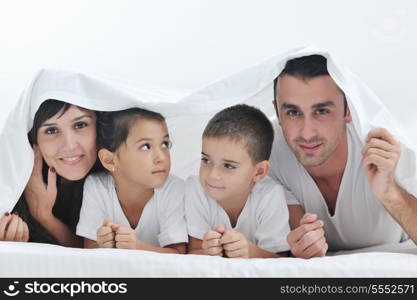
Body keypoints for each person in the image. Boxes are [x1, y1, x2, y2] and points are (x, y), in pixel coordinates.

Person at [270, 54, 416, 258]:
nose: (307, 133)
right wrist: (299, 249)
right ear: (277, 111)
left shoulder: (388, 147)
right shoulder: (265, 154)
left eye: (321, 111)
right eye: (293, 113)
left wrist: (390, 192)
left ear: (348, 110)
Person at [76, 108, 188, 254]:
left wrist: (137, 246)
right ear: (109, 160)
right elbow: (89, 250)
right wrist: (103, 244)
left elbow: (179, 254)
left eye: (165, 144)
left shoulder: (173, 189)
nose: (162, 157)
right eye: (145, 146)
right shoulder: (97, 187)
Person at [185, 104, 290, 258]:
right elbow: (193, 251)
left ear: (259, 172)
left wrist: (250, 251)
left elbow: (281, 260)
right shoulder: (195, 189)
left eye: (228, 166)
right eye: (206, 160)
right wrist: (207, 251)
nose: (213, 175)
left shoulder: (270, 196)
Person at [5, 100, 100, 247]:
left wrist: (43, 215)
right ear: (34, 141)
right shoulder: (10, 186)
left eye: (80, 125)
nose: (69, 145)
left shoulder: (117, 176)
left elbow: (91, 255)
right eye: (51, 131)